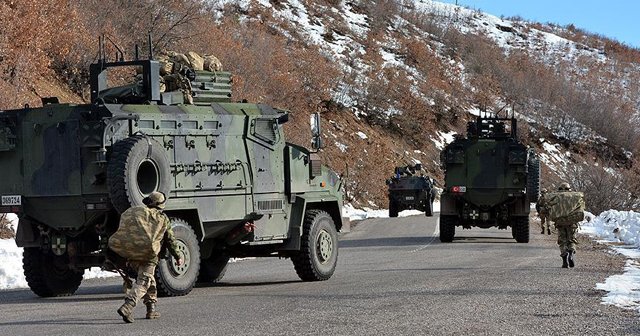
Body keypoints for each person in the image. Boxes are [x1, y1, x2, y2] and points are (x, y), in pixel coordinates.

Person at [108, 192, 183, 323]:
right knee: (144, 281)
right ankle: (128, 306)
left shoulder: (136, 212)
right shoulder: (162, 218)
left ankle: (151, 310)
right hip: (149, 256)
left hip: (131, 254)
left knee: (149, 279)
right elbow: (170, 240)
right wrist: (178, 256)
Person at [552, 182, 584, 268]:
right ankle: (571, 253)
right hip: (572, 222)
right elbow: (581, 208)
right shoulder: (575, 196)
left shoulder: (555, 197)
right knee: (572, 240)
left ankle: (564, 258)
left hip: (560, 222)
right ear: (569, 189)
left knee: (562, 241)